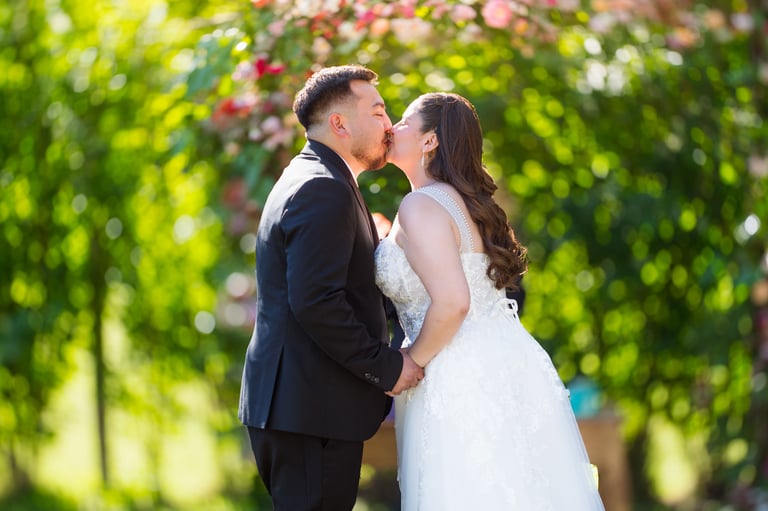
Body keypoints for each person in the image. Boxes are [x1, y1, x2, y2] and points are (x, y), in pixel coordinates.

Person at [375, 92, 605, 510]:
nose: (393, 127)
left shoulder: (420, 205)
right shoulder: (461, 203)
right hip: (502, 358)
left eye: (405, 121)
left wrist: (409, 363)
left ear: (430, 141)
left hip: (454, 371)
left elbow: (453, 303)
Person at [238, 65, 424, 510]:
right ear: (339, 123)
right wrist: (387, 367)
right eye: (378, 111)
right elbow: (317, 303)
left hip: (304, 409)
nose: (388, 123)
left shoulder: (317, 176)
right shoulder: (324, 188)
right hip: (308, 413)